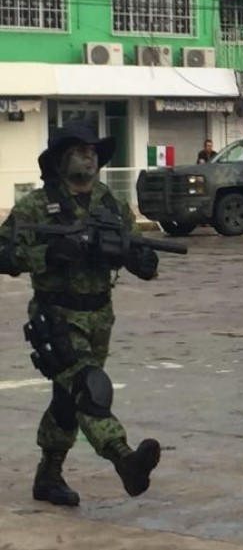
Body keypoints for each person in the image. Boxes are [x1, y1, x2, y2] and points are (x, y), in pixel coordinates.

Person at [0, 124, 163, 506]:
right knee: (88, 388)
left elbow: (136, 249)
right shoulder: (36, 207)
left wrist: (141, 262)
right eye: (79, 149)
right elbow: (2, 254)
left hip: (99, 316)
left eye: (93, 149)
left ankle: (48, 476)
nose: (89, 155)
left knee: (67, 401)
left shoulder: (109, 204)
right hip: (55, 314)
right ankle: (124, 459)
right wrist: (47, 254)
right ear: (60, 159)